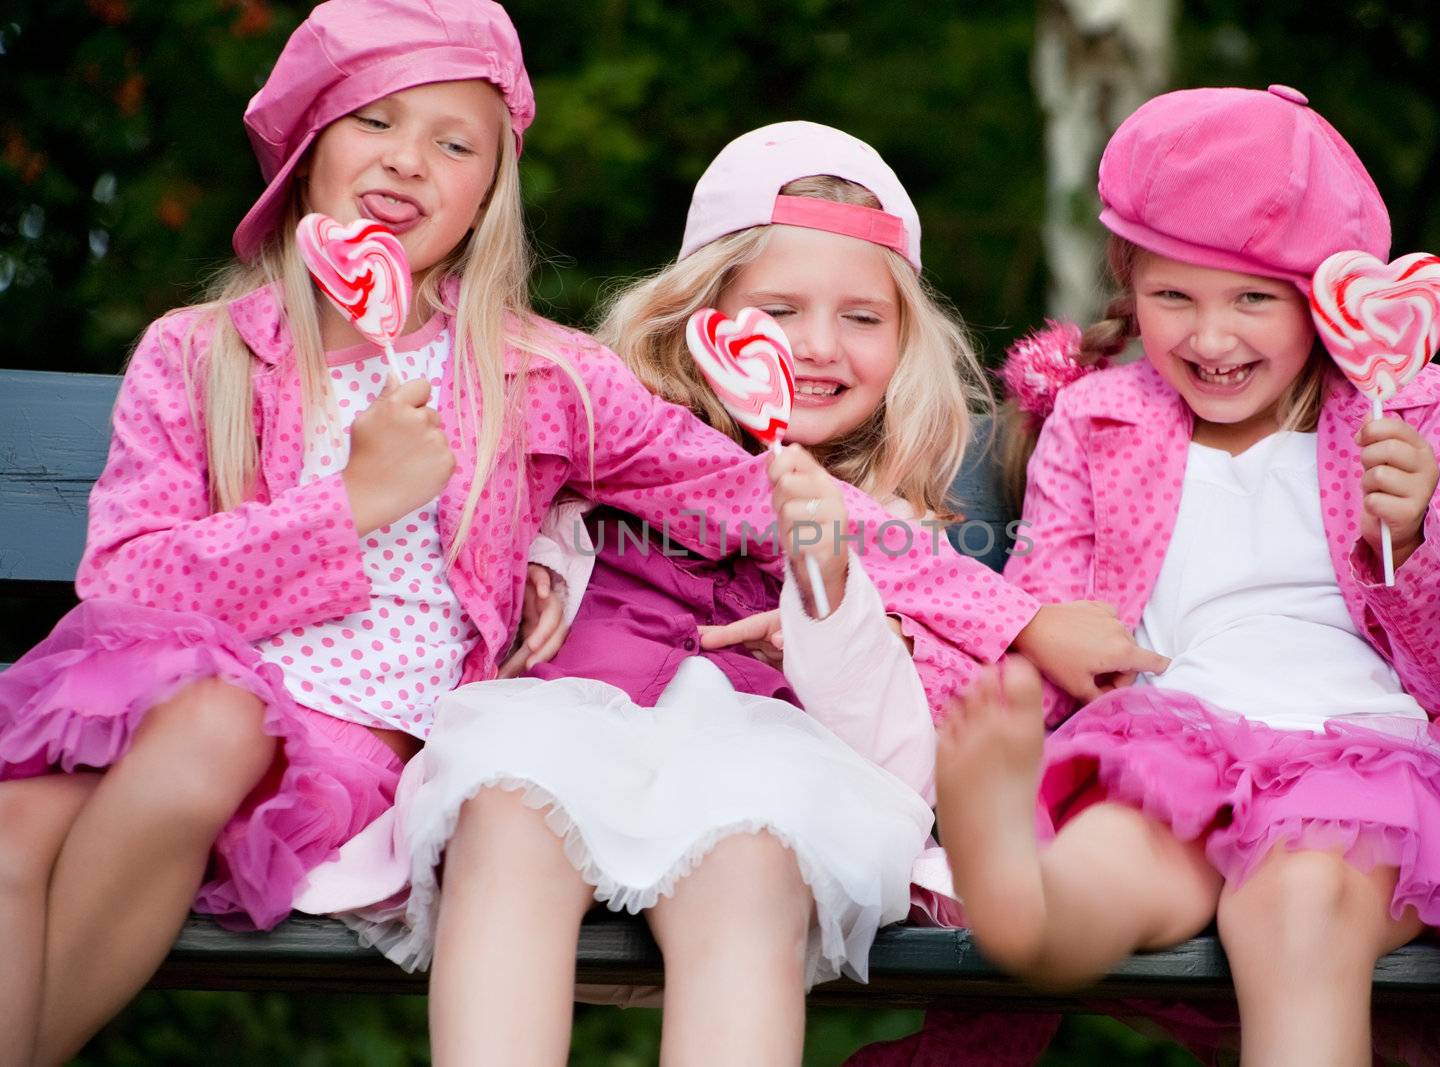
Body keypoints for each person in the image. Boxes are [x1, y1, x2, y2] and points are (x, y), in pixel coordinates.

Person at [0, 6, 1044, 1063]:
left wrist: (1026, 622)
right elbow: (122, 580)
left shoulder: (536, 376)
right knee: (20, 828)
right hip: (165, 686)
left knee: (213, 731)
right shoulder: (200, 354)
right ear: (308, 150)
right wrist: (351, 503)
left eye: (454, 143)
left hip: (335, 743)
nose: (408, 161)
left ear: (490, 190)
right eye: (373, 123)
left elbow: (735, 488)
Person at [313, 120, 1004, 1066]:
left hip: (763, 771)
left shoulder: (893, 526)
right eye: (779, 308)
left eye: (862, 317)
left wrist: (831, 590)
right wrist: (543, 566)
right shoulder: (599, 447)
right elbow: (477, 567)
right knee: (506, 803)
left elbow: (898, 768)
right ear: (702, 314)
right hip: (567, 732)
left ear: (905, 339)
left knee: (753, 855)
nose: (817, 346)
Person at [935, 85, 1440, 1065]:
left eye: (1252, 299)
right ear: (1128, 279)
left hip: (1363, 762)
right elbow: (1047, 603)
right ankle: (1023, 901)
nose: (1210, 339)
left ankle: (1031, 897)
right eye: (1173, 298)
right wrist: (1036, 642)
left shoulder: (1420, 413)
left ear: (1327, 294)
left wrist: (1413, 539)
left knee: (1297, 903)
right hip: (1170, 743)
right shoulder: (1097, 421)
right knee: (1107, 862)